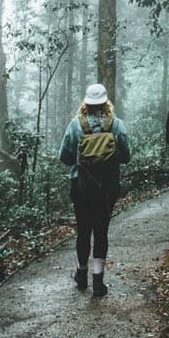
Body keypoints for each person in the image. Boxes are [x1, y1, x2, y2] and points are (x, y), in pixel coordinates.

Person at [59, 83, 131, 297]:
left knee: (83, 230)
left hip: (80, 186)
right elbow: (126, 156)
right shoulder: (116, 125)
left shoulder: (75, 125)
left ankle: (81, 274)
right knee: (101, 231)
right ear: (106, 102)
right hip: (107, 188)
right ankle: (98, 281)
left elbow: (64, 157)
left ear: (86, 103)